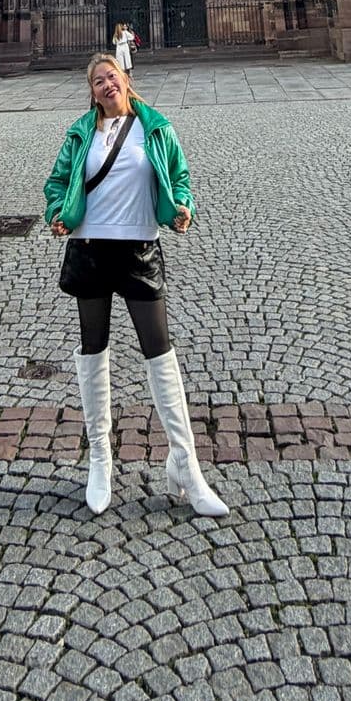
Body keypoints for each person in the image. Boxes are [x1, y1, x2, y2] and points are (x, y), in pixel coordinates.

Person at [44, 51, 227, 519]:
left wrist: (181, 206)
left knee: (160, 351)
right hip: (89, 247)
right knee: (93, 345)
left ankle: (185, 464)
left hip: (139, 247)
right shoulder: (81, 132)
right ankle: (100, 460)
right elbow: (58, 182)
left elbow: (180, 178)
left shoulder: (156, 128)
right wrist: (56, 214)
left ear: (126, 79)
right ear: (92, 91)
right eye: (98, 81)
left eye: (112, 77)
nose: (107, 84)